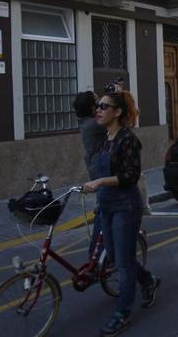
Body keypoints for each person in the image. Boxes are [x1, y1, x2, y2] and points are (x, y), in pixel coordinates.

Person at [82, 91, 160, 336]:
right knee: (115, 258)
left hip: (125, 206)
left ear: (117, 112)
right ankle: (148, 281)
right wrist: (97, 191)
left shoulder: (128, 139)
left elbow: (130, 176)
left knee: (124, 263)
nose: (98, 110)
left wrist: (100, 182)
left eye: (104, 106)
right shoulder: (107, 137)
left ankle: (122, 313)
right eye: (98, 106)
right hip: (107, 204)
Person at [73, 91, 105, 256]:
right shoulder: (94, 124)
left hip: (100, 171)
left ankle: (99, 252)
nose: (101, 104)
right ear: (92, 108)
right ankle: (96, 252)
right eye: (98, 101)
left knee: (105, 209)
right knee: (104, 212)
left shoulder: (88, 122)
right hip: (102, 173)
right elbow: (121, 119)